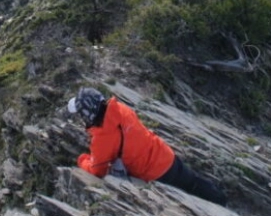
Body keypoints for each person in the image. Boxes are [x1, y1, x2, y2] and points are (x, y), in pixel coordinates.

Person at [67, 86, 228, 206]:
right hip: (165, 154)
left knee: (183, 204)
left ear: (88, 114)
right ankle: (221, 202)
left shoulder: (103, 139)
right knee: (193, 182)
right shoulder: (120, 109)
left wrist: (83, 160)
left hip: (154, 174)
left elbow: (97, 170)